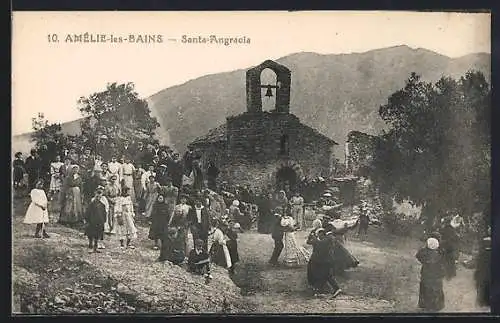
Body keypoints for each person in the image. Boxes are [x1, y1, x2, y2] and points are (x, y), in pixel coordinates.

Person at [307, 228, 342, 297]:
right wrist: (310, 237)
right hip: (323, 261)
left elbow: (318, 244)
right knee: (324, 276)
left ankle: (333, 289)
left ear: (323, 234)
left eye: (320, 235)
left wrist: (313, 237)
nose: (319, 236)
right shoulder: (323, 240)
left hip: (325, 261)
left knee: (324, 276)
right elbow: (309, 242)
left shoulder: (325, 241)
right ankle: (333, 289)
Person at [416, 237, 445, 312]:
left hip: (426, 275)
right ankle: (437, 306)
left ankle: (425, 305)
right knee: (436, 291)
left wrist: (423, 248)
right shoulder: (439, 254)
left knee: (425, 290)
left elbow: (418, 255)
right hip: (436, 277)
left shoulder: (425, 253)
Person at [85, 188, 107, 253]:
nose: (98, 198)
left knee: (97, 235)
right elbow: (87, 212)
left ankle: (95, 247)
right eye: (97, 196)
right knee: (91, 234)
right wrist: (87, 220)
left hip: (99, 222)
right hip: (92, 222)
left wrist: (104, 220)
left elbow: (104, 213)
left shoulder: (102, 205)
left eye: (99, 197)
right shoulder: (91, 204)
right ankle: (90, 246)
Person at [439, 215, 461, 280]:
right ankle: (450, 274)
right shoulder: (452, 230)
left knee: (446, 260)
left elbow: (442, 237)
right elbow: (456, 239)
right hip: (450, 247)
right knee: (450, 260)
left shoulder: (444, 229)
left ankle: (447, 273)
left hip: (446, 246)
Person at [474, 227, 491, 308]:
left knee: (483, 284)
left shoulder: (482, 254)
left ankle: (482, 301)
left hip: (483, 271)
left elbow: (478, 264)